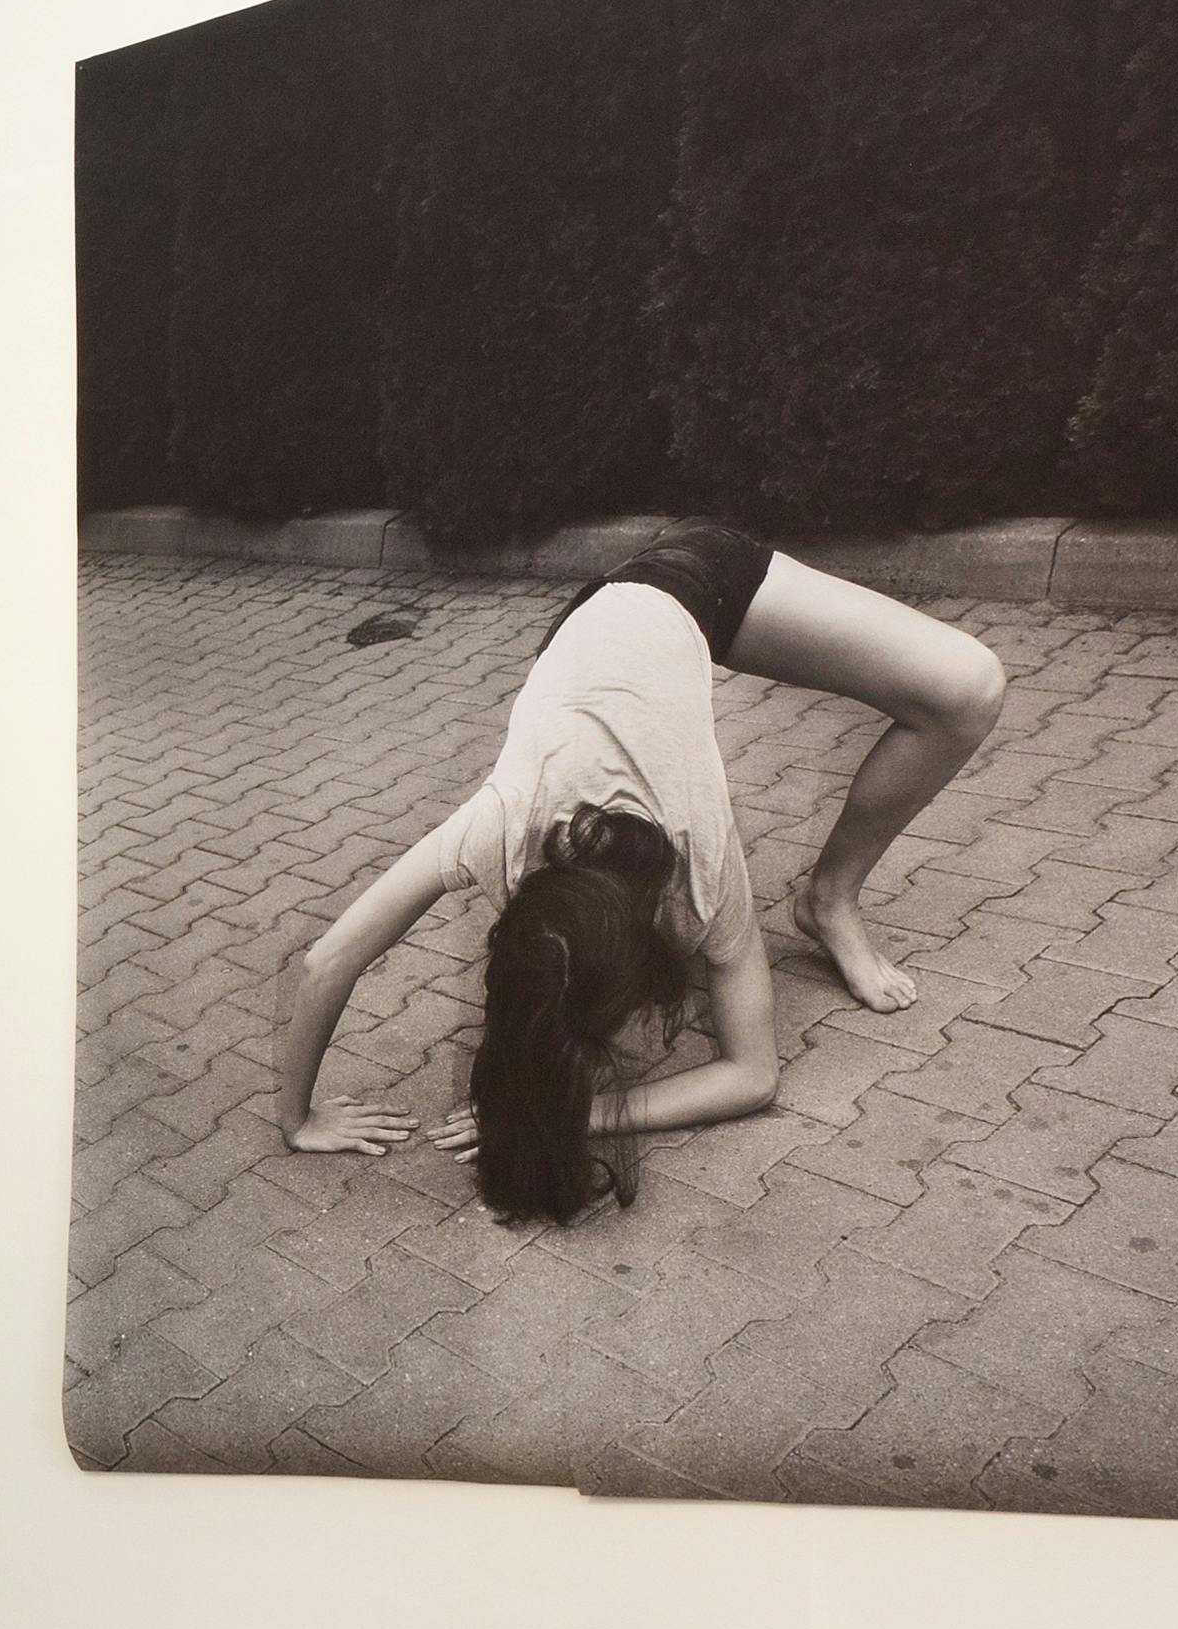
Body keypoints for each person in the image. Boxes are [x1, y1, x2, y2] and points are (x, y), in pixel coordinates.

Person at [272, 522, 1006, 1223]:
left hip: (694, 576)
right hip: (597, 636)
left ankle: (831, 899)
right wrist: (298, 1119)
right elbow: (329, 961)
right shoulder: (496, 826)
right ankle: (826, 904)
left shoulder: (702, 866)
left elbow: (754, 1078)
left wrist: (562, 1114)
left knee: (968, 689)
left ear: (661, 950)